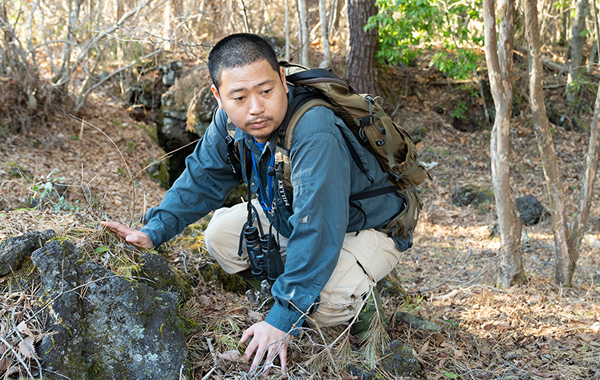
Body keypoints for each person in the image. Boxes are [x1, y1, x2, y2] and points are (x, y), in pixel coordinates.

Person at [101, 33, 412, 374]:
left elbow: (319, 228)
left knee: (322, 306)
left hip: (368, 227)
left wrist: (281, 319)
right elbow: (202, 179)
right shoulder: (232, 123)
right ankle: (291, 290)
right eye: (239, 97)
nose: (256, 108)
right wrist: (153, 231)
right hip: (295, 214)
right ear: (218, 97)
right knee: (219, 236)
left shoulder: (314, 129)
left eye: (266, 91)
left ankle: (357, 302)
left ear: (282, 78)